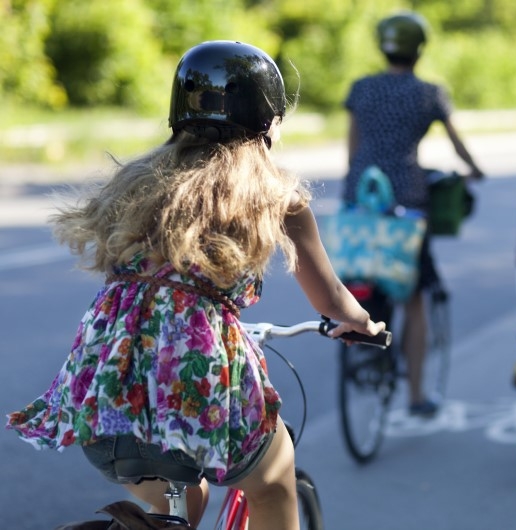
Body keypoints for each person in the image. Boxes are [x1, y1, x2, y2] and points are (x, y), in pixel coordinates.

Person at [6, 40, 385, 530]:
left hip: (105, 381)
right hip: (194, 378)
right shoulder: (275, 195)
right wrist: (365, 324)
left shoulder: (140, 181)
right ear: (267, 120)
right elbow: (331, 298)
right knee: (272, 484)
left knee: (179, 501)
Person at [342, 11, 484, 417]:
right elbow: (458, 146)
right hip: (407, 201)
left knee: (363, 275)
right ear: (418, 49)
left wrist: (355, 188)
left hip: (363, 197)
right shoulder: (429, 94)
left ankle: (365, 351)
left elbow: (352, 150)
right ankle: (417, 395)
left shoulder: (361, 89)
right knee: (415, 299)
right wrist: (474, 169)